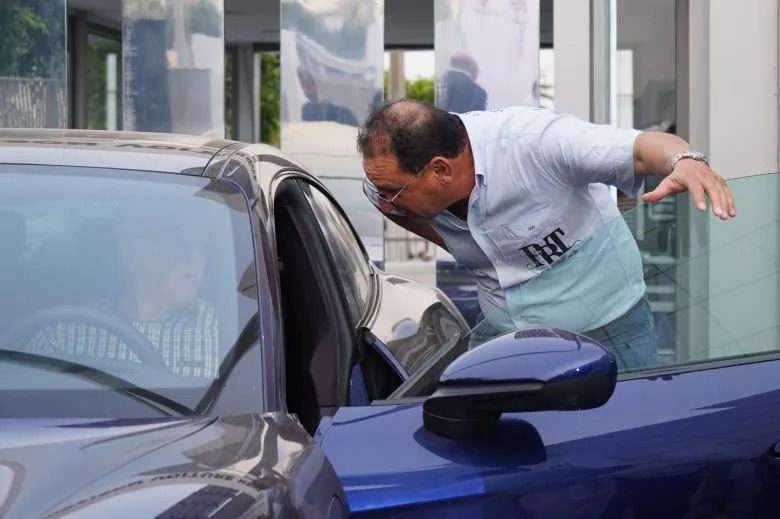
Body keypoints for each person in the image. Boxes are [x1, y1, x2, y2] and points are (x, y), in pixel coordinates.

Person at [358, 100, 735, 370]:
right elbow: (396, 205)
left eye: (393, 191)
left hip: (610, 329)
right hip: (508, 339)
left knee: (628, 440)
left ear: (440, 170)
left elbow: (639, 149)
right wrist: (465, 246)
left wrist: (686, 160)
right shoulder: (387, 190)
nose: (387, 202)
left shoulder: (534, 141)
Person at [26, 200, 219, 378]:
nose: (196, 259)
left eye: (202, 248)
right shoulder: (62, 334)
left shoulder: (223, 332)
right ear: (130, 251)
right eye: (179, 245)